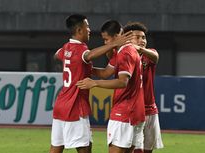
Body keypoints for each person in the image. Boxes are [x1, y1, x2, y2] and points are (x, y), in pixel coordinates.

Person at [50, 14, 132, 153]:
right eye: (87, 26)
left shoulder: (66, 48)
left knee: (56, 147)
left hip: (61, 105)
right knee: (85, 148)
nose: (89, 29)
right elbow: (89, 55)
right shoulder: (81, 49)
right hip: (75, 106)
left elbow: (56, 54)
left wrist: (78, 67)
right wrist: (113, 44)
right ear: (80, 30)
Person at [76, 20, 145, 153]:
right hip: (136, 112)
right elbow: (105, 73)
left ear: (118, 36)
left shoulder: (125, 53)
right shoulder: (123, 51)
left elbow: (122, 82)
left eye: (106, 39)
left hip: (124, 112)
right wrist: (85, 68)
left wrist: (94, 83)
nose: (106, 43)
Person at [123, 22, 164, 153]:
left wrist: (138, 48)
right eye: (137, 37)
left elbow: (156, 57)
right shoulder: (124, 56)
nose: (142, 40)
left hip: (150, 110)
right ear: (128, 39)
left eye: (143, 37)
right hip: (133, 110)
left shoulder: (149, 53)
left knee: (148, 149)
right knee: (134, 148)